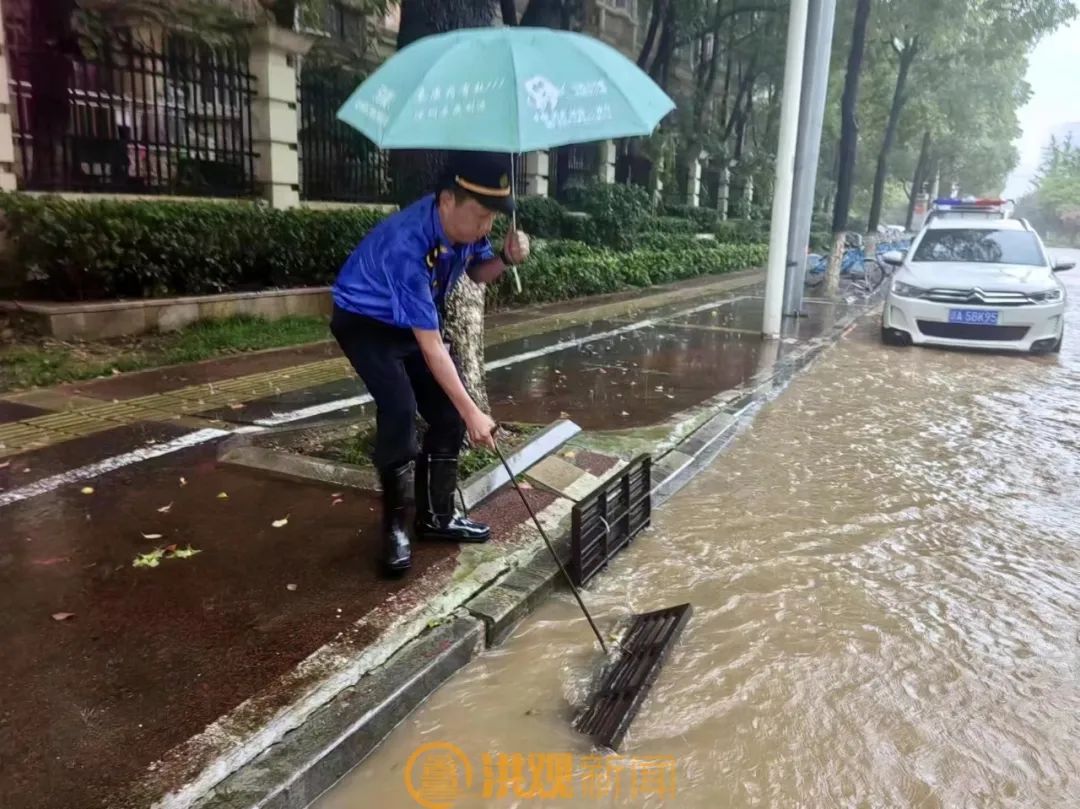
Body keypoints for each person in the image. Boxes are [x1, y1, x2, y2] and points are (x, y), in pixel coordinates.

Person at [330, 151, 531, 574]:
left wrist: (506, 259)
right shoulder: (407, 244)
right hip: (365, 323)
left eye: (493, 218)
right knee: (400, 408)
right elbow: (432, 346)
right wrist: (475, 411)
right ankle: (396, 528)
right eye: (480, 216)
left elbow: (477, 274)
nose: (486, 227)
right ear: (446, 201)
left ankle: (437, 518)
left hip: (410, 323)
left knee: (446, 414)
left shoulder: (464, 230)